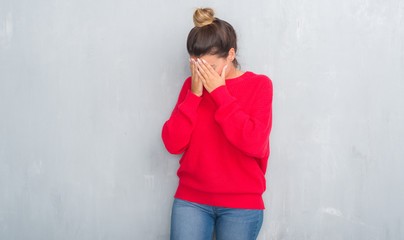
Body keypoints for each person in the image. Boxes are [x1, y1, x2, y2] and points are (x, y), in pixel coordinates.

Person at [161, 7, 273, 240]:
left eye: (209, 67)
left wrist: (220, 93)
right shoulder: (191, 87)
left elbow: (255, 144)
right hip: (191, 201)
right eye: (196, 66)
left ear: (230, 55)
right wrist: (193, 96)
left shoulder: (260, 85)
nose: (202, 74)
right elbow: (173, 144)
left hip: (242, 205)